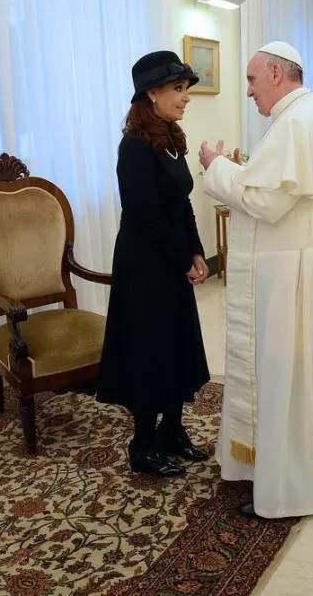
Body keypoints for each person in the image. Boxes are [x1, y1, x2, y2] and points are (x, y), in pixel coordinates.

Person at [198, 41, 313, 519]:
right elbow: (279, 190)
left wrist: (215, 166)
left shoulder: (294, 122)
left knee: (281, 371)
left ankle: (285, 485)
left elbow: (267, 205)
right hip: (301, 262)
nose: (248, 91)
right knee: (297, 371)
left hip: (287, 273)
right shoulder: (306, 115)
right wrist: (244, 171)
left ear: (278, 75)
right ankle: (299, 461)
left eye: (251, 79)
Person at [98, 50, 211, 478]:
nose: (185, 98)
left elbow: (181, 205)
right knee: (150, 353)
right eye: (178, 89)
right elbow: (145, 218)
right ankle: (142, 444)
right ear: (152, 93)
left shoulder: (170, 139)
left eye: (185, 89)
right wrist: (183, 258)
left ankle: (172, 431)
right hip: (145, 268)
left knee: (177, 347)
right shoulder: (134, 147)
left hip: (172, 260)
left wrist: (197, 252)